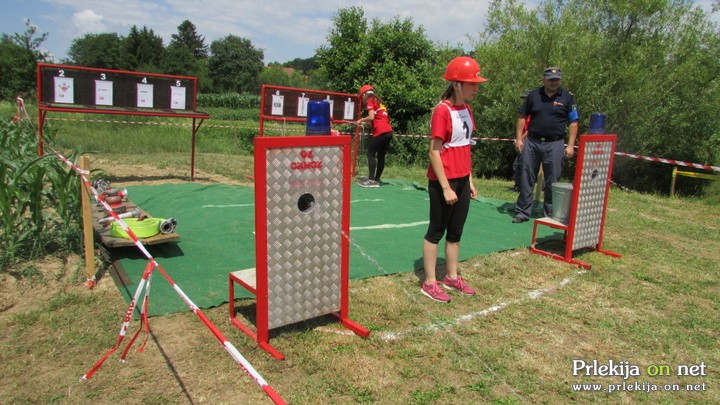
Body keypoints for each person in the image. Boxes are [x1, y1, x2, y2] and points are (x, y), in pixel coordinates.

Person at [420, 56, 486, 303]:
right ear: (457, 84)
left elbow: (465, 147)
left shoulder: (467, 110)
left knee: (456, 232)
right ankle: (429, 282)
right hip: (442, 183)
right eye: (473, 84)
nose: (476, 88)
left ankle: (451, 276)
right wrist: (446, 187)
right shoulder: (442, 111)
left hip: (461, 179)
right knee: (436, 231)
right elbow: (434, 151)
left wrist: (469, 180)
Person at [512, 67, 579, 223]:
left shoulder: (568, 98)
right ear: (543, 79)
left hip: (555, 143)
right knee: (526, 177)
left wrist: (570, 145)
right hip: (532, 142)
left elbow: (574, 122)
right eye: (550, 79)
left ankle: (549, 214)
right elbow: (522, 116)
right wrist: (518, 139)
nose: (554, 82)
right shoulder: (533, 95)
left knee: (553, 180)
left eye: (557, 80)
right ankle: (522, 212)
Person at [356, 84, 394, 188]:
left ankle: (371, 180)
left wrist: (361, 120)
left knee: (370, 153)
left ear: (365, 94)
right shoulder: (380, 102)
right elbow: (377, 119)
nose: (362, 99)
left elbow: (371, 117)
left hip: (381, 132)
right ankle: (376, 179)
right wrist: (365, 123)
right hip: (388, 132)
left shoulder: (370, 101)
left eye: (362, 96)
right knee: (381, 156)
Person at [510, 91, 531, 192]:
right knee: (517, 164)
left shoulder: (532, 113)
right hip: (522, 139)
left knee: (522, 164)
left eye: (526, 99)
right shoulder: (524, 112)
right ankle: (518, 185)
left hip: (528, 140)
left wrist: (520, 139)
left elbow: (530, 128)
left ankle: (521, 187)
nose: (524, 101)